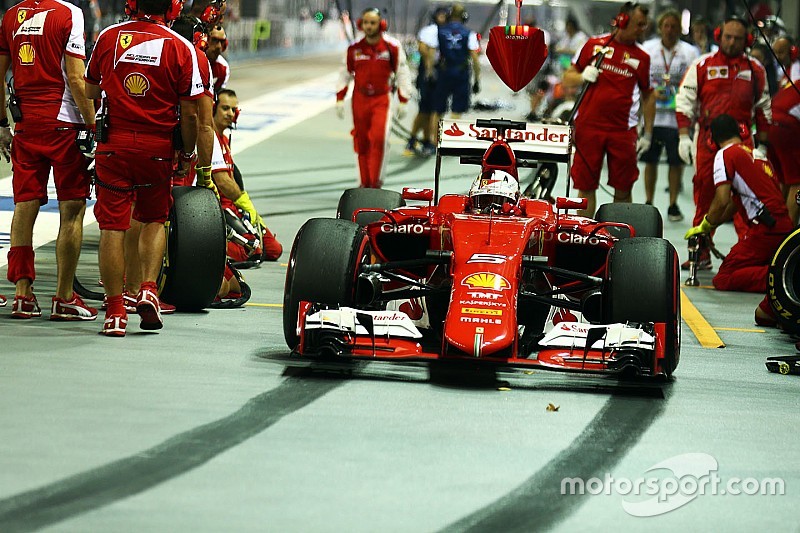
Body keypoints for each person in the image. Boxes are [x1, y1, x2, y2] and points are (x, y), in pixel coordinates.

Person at [85, 0, 207, 336]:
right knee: (154, 219)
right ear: (171, 8)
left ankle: (113, 312)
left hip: (113, 146)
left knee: (112, 226)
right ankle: (149, 289)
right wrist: (188, 151)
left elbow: (92, 88)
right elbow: (192, 113)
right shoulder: (182, 47)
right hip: (157, 150)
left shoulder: (109, 37)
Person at [0, 0, 98, 320]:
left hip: (26, 125)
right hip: (65, 124)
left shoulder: (11, 16)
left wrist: (3, 124)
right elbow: (75, 75)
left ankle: (22, 295)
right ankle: (64, 297)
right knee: (72, 209)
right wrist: (94, 126)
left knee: (24, 206)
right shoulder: (69, 13)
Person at [675, 16, 772, 270]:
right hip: (708, 142)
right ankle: (701, 253)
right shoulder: (702, 64)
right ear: (719, 35)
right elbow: (684, 102)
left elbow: (764, 109)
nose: (731, 42)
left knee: (746, 200)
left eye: (738, 38)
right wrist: (684, 136)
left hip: (743, 145)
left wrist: (763, 147)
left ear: (747, 40)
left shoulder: (755, 70)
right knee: (705, 196)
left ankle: (747, 254)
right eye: (727, 36)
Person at [683, 114, 792, 326]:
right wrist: (710, 224)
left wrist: (704, 224)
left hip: (764, 230)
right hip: (782, 227)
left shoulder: (724, 155)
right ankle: (781, 268)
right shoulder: (757, 154)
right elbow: (733, 204)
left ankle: (780, 277)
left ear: (711, 140)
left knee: (724, 277)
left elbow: (722, 199)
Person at [562, 1, 655, 217]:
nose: (642, 30)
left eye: (645, 25)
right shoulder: (594, 46)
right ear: (623, 20)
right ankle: (583, 240)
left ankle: (619, 240)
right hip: (589, 128)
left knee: (623, 188)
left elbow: (649, 95)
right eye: (639, 24)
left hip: (622, 131)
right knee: (585, 188)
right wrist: (582, 75)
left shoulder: (643, 58)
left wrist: (648, 133)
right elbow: (568, 77)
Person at [335, 7, 412, 188]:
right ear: (361, 24)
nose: (369, 26)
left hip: (381, 100)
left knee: (379, 140)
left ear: (381, 24)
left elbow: (402, 73)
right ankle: (364, 183)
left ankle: (375, 184)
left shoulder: (392, 47)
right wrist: (340, 97)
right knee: (361, 141)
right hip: (359, 99)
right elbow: (344, 73)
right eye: (366, 23)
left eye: (373, 23)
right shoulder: (354, 49)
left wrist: (403, 99)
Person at [639, 9, 699, 221]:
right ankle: (648, 201)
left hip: (677, 117)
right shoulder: (648, 49)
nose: (670, 30)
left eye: (674, 26)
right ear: (660, 27)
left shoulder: (690, 52)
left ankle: (673, 204)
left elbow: (694, 82)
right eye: (666, 26)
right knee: (651, 161)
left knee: (676, 162)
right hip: (653, 116)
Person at [210, 89, 282, 264]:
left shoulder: (225, 140)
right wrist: (244, 201)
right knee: (250, 252)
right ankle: (209, 244)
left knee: (273, 249)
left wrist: (249, 211)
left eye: (234, 110)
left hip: (233, 206)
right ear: (213, 108)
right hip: (217, 207)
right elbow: (222, 181)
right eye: (225, 108)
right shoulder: (209, 138)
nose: (230, 114)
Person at [426, 3, 480, 128]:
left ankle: (434, 143)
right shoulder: (469, 34)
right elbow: (475, 59)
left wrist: (430, 73)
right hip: (461, 75)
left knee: (438, 110)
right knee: (457, 110)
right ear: (464, 17)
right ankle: (450, 139)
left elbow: (431, 54)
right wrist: (477, 80)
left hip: (443, 73)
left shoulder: (439, 31)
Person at [404, 6, 448, 157]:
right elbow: (425, 50)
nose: (442, 17)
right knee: (425, 110)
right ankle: (415, 139)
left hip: (441, 74)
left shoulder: (448, 32)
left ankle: (428, 141)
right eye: (439, 14)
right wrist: (429, 71)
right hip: (429, 74)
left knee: (437, 111)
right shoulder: (430, 31)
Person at [767, 53, 800, 223]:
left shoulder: (793, 82)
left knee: (783, 179)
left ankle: (777, 226)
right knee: (798, 182)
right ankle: (788, 236)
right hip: (785, 126)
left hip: (769, 123)